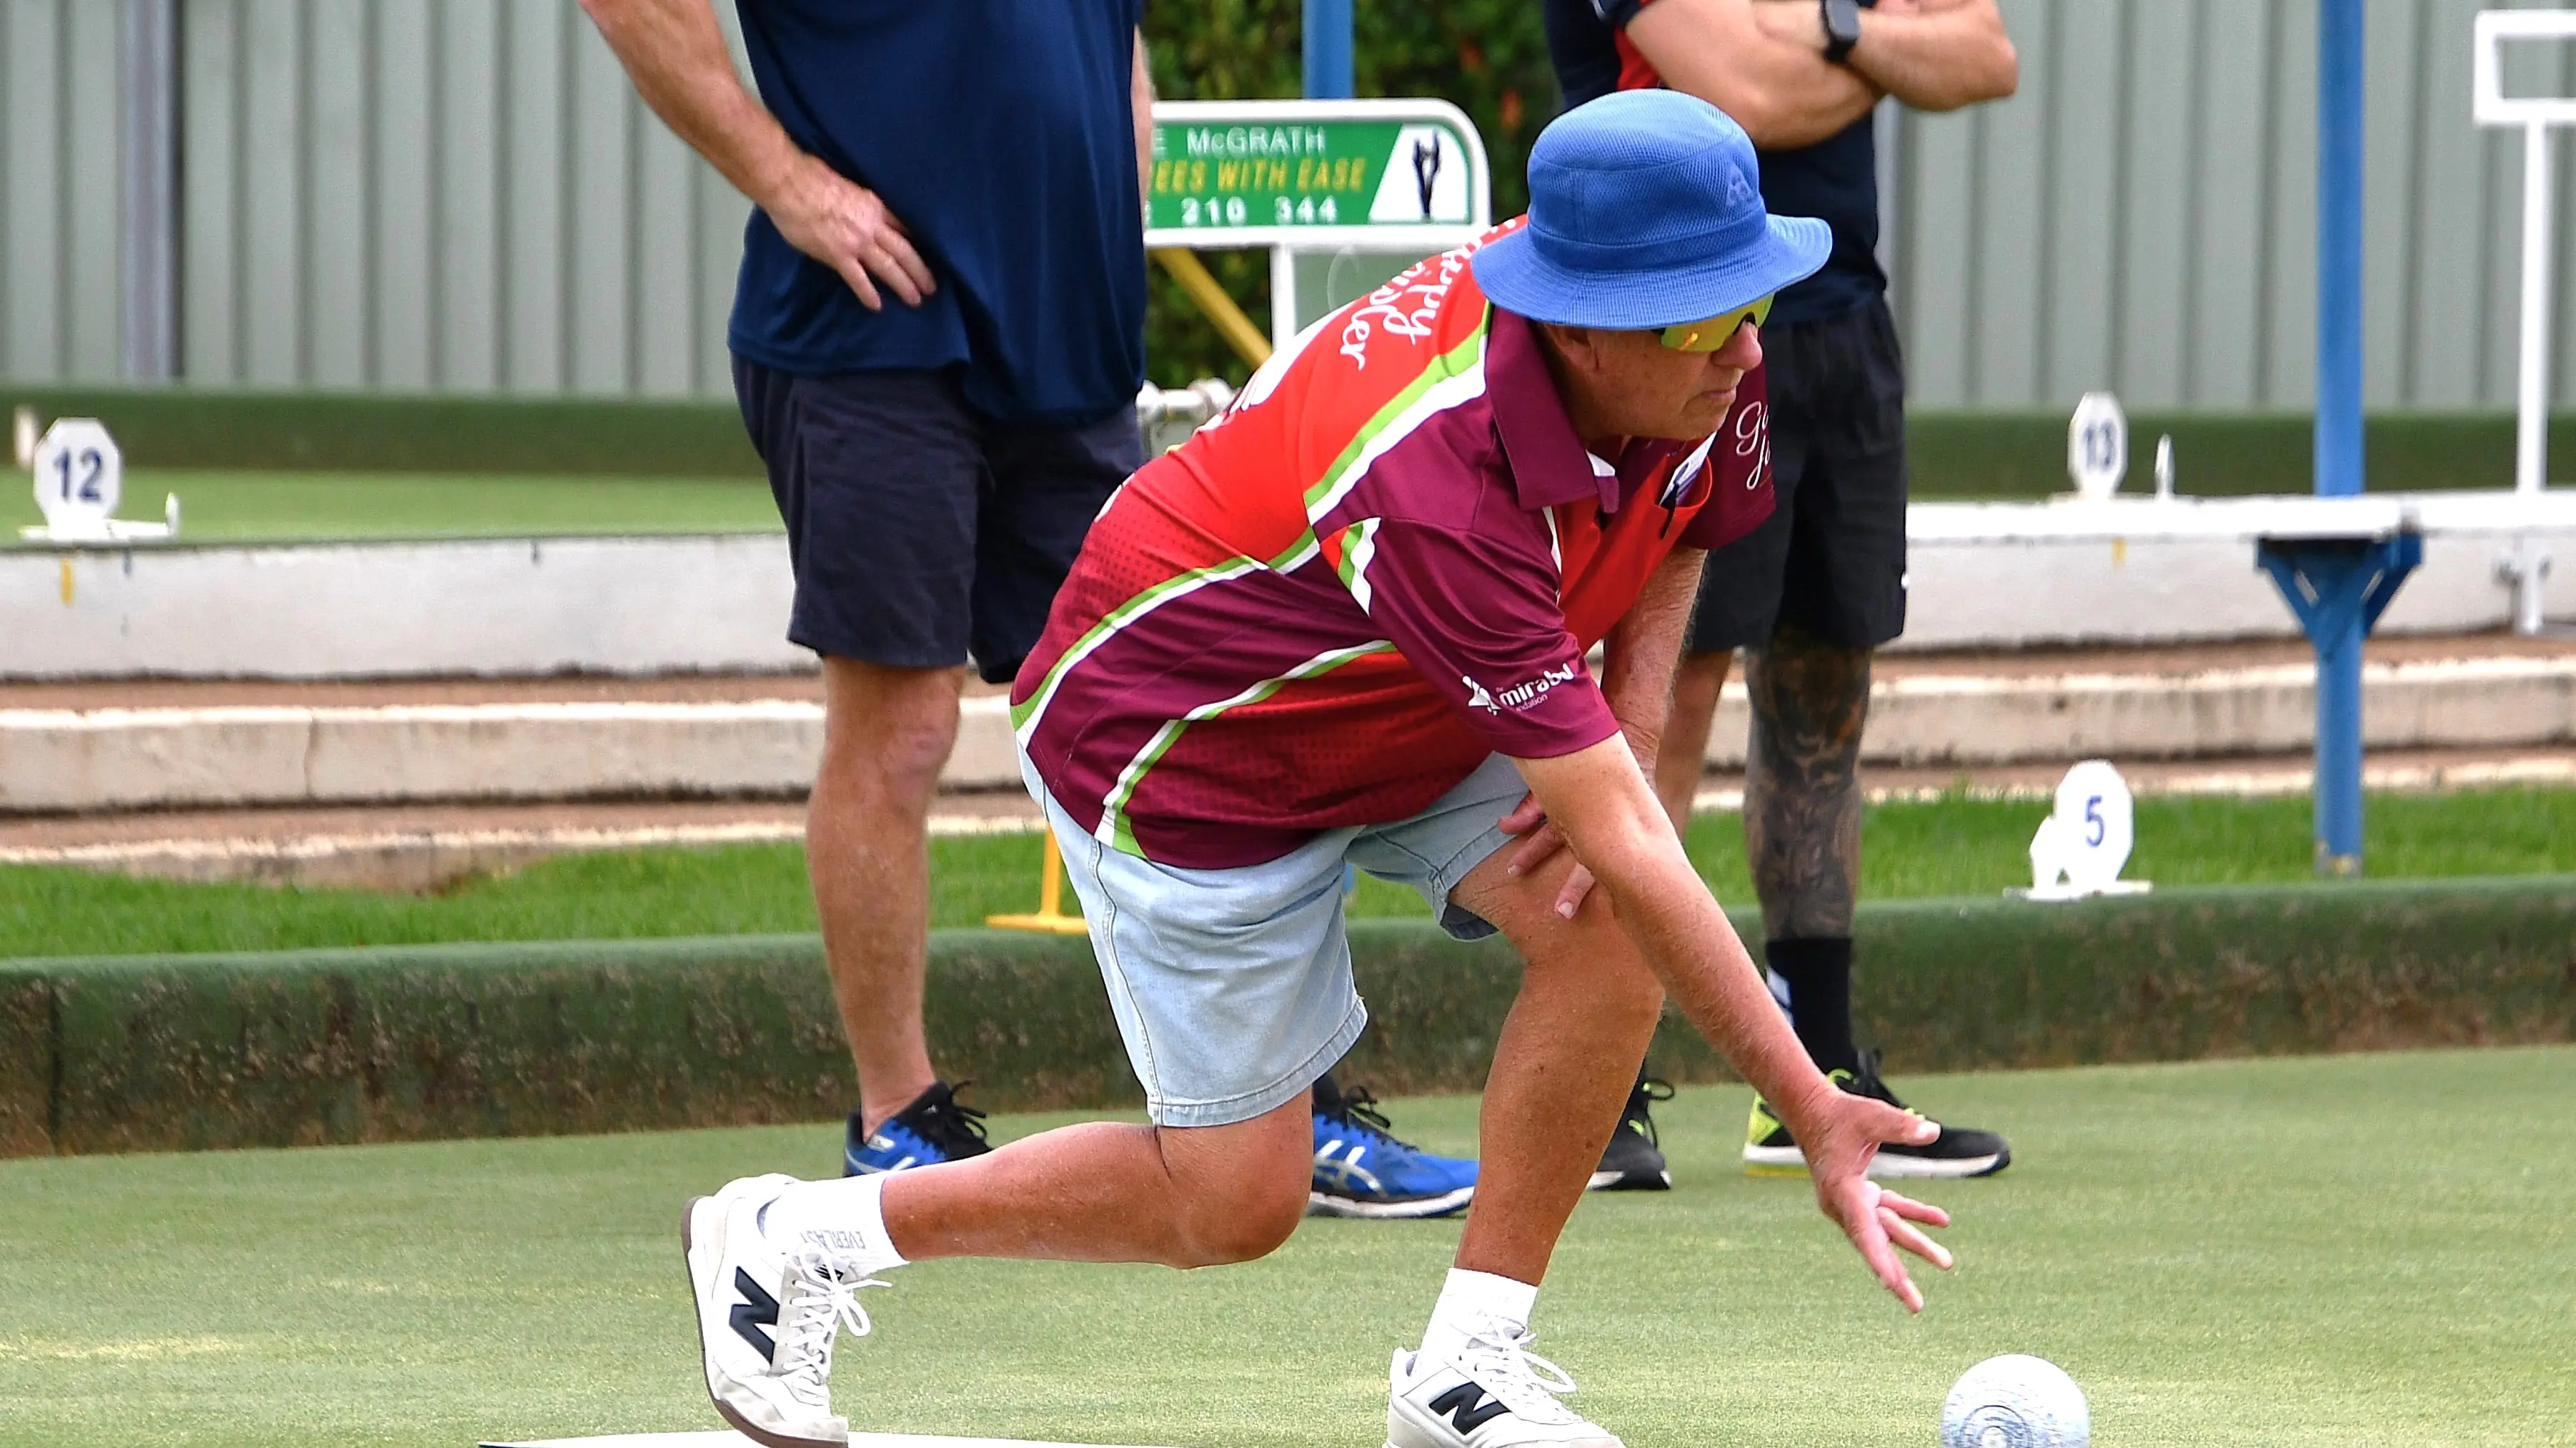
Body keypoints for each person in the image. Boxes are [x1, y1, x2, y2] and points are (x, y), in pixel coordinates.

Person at [680, 91, 1956, 1448]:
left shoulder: (1677, 324)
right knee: (1235, 1201)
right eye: (1708, 321)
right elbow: (1644, 846)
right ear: (1579, 324)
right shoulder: (1434, 473)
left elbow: (1685, 515)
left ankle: (1467, 1372)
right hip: (1184, 741)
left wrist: (1624, 748)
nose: (1742, 352)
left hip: (1413, 686)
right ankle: (798, 1237)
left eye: (1752, 302)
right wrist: (1809, 1103)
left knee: (1606, 918)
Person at [1546, 0, 2020, 1179]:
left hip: (1847, 323)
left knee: (1825, 685)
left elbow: (1985, 59)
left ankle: (1821, 1064)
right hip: (1674, 331)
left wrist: (1823, 29)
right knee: (1668, 695)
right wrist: (1872, 48)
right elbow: (1744, 104)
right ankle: (1599, 1086)